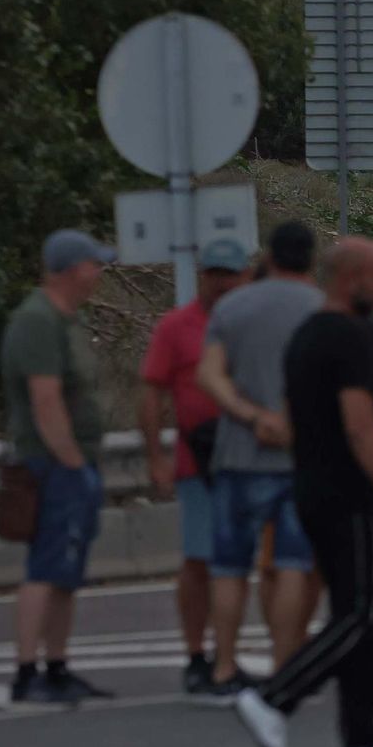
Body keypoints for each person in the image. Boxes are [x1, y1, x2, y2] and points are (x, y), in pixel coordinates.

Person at [233, 238, 373, 747]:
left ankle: (363, 737)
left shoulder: (307, 335)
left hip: (312, 487)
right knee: (363, 610)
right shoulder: (351, 337)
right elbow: (361, 427)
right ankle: (274, 699)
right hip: (349, 493)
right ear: (352, 278)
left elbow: (293, 416)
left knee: (355, 610)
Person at [196, 221, 323, 703]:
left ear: (269, 256)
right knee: (292, 564)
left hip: (238, 455)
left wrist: (252, 416)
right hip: (298, 459)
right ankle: (285, 663)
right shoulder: (320, 309)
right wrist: (288, 420)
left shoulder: (232, 305)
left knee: (230, 568)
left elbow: (209, 377)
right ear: (310, 259)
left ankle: (225, 666)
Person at [1, 230, 118, 703]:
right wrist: (71, 463)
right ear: (73, 269)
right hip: (52, 464)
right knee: (46, 567)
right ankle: (27, 672)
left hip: (76, 462)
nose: (99, 273)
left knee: (68, 570)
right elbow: (45, 400)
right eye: (94, 265)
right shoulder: (37, 321)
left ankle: (58, 665)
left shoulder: (68, 319)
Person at [138, 239, 250, 698]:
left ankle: (228, 654)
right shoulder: (177, 327)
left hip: (245, 460)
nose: (222, 283)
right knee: (199, 561)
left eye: (230, 274)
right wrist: (154, 457)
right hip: (195, 464)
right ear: (203, 275)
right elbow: (151, 393)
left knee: (238, 564)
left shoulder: (248, 323)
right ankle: (196, 654)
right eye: (214, 274)